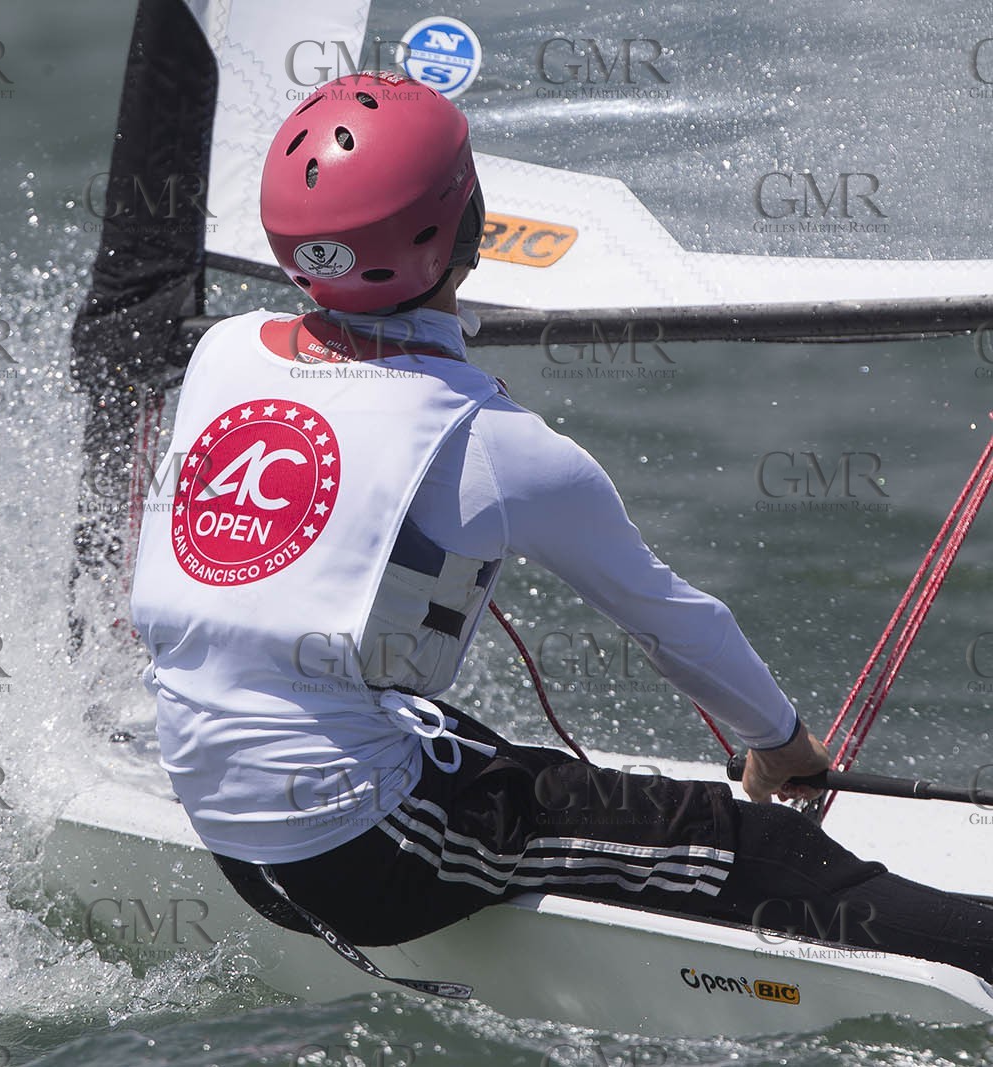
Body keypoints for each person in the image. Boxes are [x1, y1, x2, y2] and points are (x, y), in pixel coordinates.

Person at [128, 72, 993, 984]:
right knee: (757, 846)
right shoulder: (498, 443)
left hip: (224, 818)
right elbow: (671, 620)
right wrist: (778, 742)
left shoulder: (222, 350)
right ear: (467, 229)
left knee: (490, 760)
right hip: (362, 852)